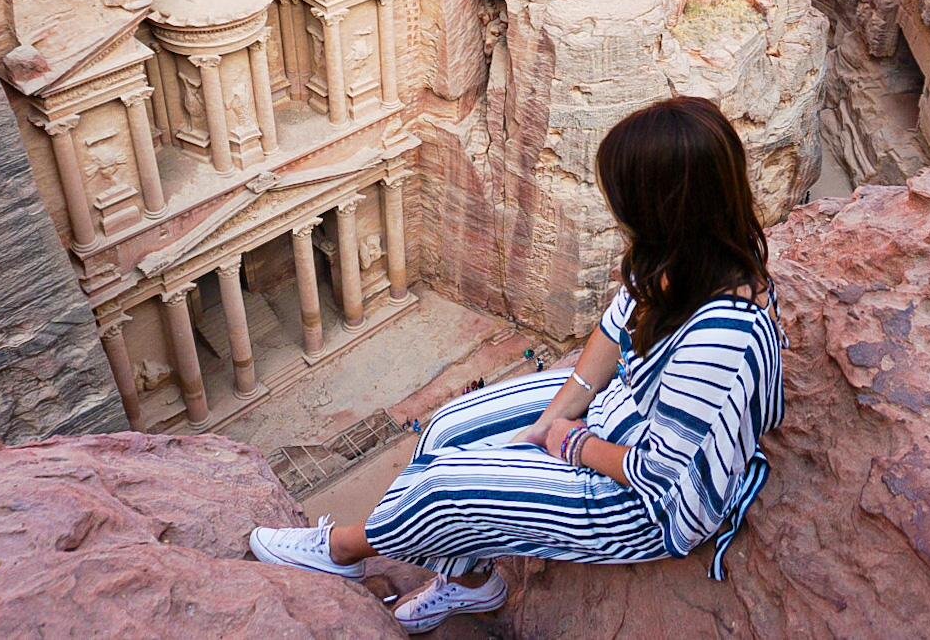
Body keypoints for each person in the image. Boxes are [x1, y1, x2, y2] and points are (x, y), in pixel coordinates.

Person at [247, 96, 786, 634]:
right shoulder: (681, 259)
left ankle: (342, 549)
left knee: (443, 488)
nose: (617, 212)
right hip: (626, 414)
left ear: (665, 209)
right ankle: (472, 581)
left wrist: (570, 443)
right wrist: (548, 421)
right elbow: (611, 334)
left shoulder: (720, 338)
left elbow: (660, 474)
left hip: (652, 505)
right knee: (446, 429)